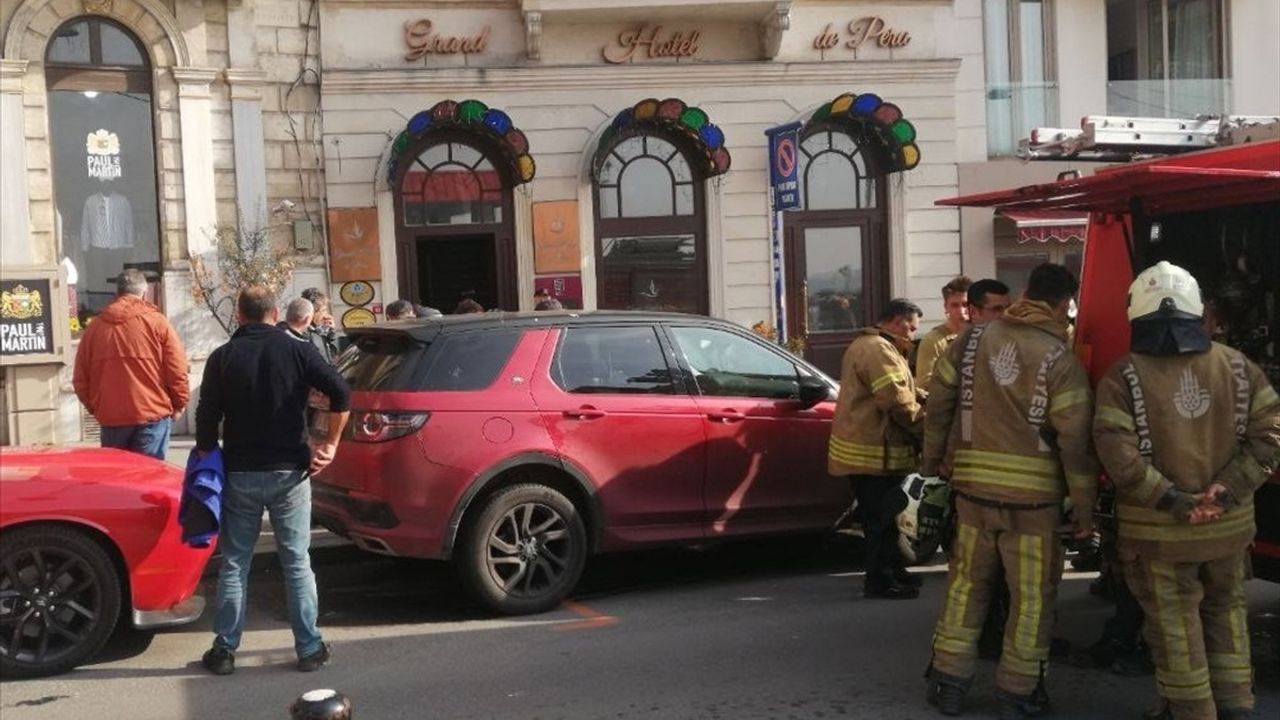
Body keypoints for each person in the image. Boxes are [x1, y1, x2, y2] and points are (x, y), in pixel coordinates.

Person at [1092, 261, 1280, 720]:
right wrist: (1226, 491)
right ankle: (1237, 706)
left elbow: (1117, 454)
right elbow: (1270, 437)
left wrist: (1173, 500)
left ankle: (1190, 711)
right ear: (1198, 312)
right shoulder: (1241, 367)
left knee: (1175, 626)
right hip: (1228, 531)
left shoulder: (1124, 376)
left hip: (1161, 536)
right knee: (1227, 613)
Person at [922, 264, 1098, 719]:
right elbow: (1075, 444)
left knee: (965, 587)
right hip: (1034, 506)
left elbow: (939, 398)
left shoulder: (974, 339)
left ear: (1024, 293)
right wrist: (1083, 509)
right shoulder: (1061, 360)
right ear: (1062, 305)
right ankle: (1017, 693)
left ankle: (948, 681)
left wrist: (933, 458)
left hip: (974, 495)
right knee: (1032, 599)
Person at [197, 286, 351, 676]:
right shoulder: (297, 349)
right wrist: (329, 444)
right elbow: (341, 392)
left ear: (238, 313)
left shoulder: (223, 357)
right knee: (297, 561)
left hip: (241, 472)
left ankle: (225, 650)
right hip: (290, 471)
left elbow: (206, 417)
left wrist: (205, 458)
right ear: (275, 312)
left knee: (235, 563)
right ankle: (309, 648)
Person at [828, 298, 925, 600]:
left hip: (870, 452)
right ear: (896, 321)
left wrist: (926, 396)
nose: (911, 334)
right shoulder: (878, 349)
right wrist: (927, 428)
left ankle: (893, 572)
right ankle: (880, 581)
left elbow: (902, 388)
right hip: (873, 456)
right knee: (880, 522)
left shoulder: (875, 345)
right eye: (910, 327)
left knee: (886, 518)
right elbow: (895, 400)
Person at [72, 268, 188, 460]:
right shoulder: (157, 322)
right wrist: (179, 403)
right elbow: (177, 369)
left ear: (116, 293)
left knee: (118, 482)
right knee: (149, 479)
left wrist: (97, 408)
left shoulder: (94, 328)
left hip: (112, 419)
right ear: (145, 292)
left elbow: (80, 379)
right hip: (152, 414)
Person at [914, 276, 971, 389]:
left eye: (965, 305)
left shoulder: (983, 335)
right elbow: (925, 384)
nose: (961, 311)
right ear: (946, 307)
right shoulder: (933, 341)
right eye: (955, 305)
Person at [300, 287, 339, 362]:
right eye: (323, 310)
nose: (326, 315)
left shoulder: (319, 331)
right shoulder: (304, 334)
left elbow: (334, 359)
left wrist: (331, 334)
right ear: (312, 312)